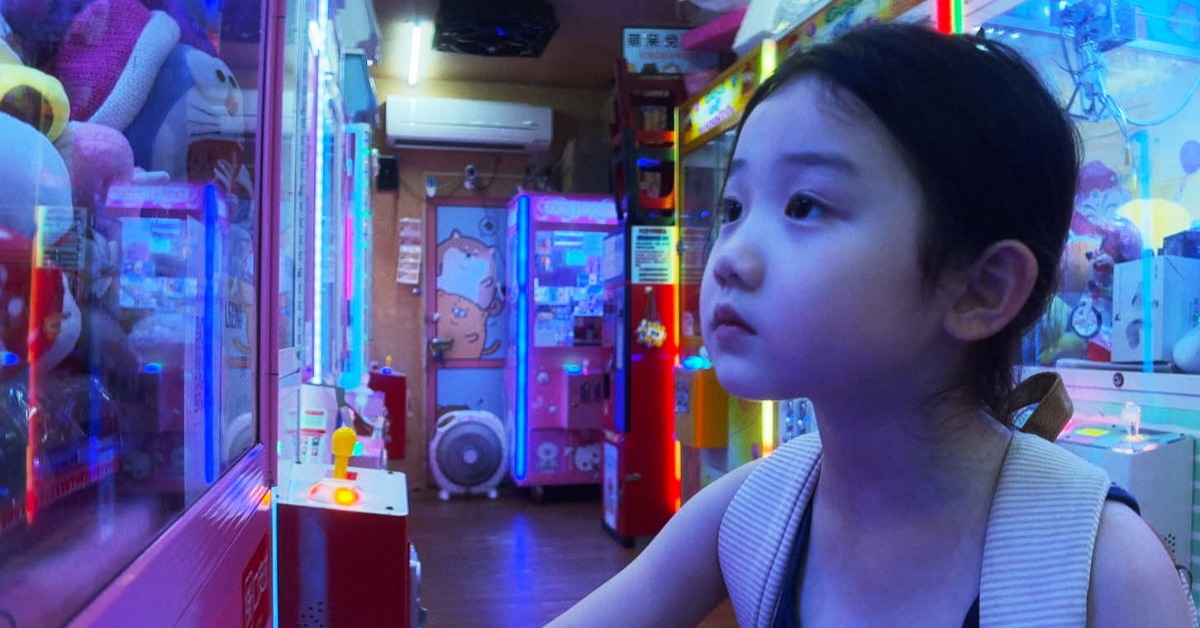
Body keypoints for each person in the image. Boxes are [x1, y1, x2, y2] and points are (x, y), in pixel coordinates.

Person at [549, 22, 1197, 627]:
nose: (730, 259)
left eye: (804, 205)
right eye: (735, 208)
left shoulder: (1107, 571)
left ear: (983, 288)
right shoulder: (750, 514)